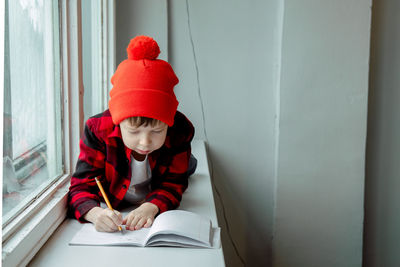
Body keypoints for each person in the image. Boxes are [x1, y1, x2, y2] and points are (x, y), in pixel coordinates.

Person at [68, 35, 196, 233]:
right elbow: (79, 188)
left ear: (168, 125)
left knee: (188, 167)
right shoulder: (97, 131)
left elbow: (174, 183)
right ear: (118, 122)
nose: (145, 142)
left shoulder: (180, 131)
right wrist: (95, 214)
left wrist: (149, 207)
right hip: (118, 192)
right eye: (134, 131)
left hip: (166, 169)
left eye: (157, 130)